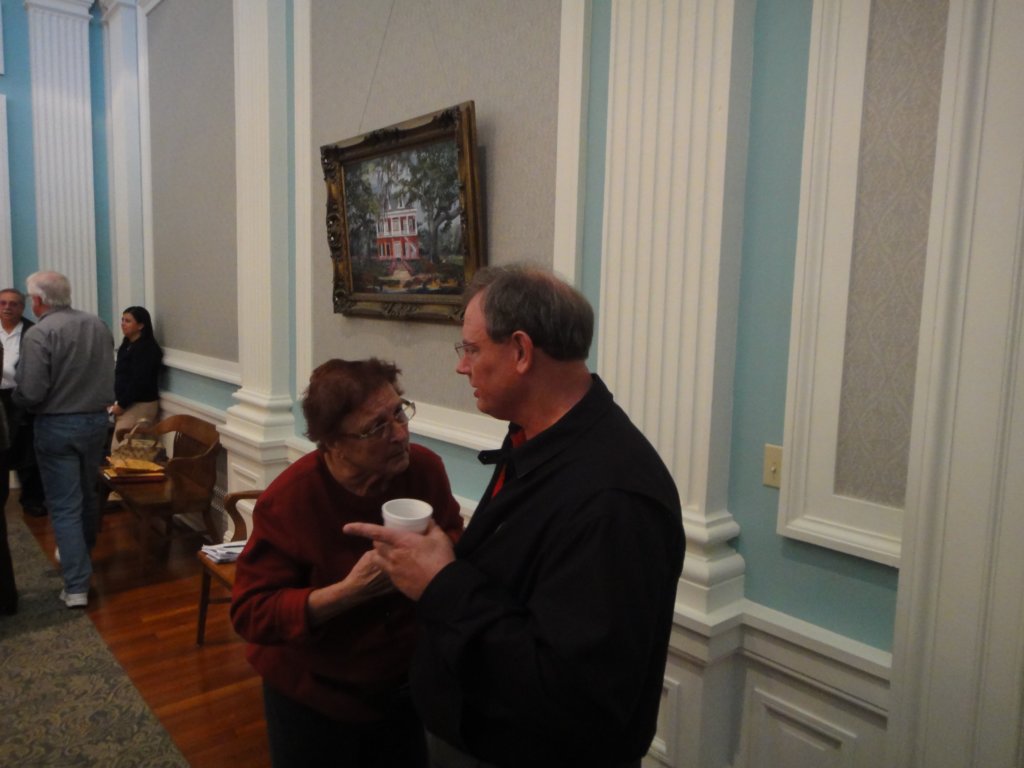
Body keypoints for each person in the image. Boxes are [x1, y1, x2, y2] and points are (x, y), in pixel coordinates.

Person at [345, 264, 686, 768]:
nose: (462, 367)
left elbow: (575, 696)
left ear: (522, 351)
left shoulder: (614, 499)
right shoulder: (535, 436)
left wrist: (441, 583)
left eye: (471, 349)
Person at [230, 358, 464, 768]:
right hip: (315, 697)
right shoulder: (291, 500)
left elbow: (453, 536)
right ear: (332, 443)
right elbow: (251, 613)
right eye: (377, 428)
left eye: (399, 413)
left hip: (404, 686)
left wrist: (439, 556)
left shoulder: (424, 471)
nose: (401, 434)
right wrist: (348, 593)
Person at [13, 271, 114, 609]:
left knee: (65, 505)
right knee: (87, 496)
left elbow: (31, 391)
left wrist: (16, 399)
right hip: (96, 423)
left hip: (57, 426)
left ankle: (76, 586)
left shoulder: (40, 333)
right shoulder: (98, 325)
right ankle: (81, 558)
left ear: (37, 300)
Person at [0, 288, 46, 517]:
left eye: (14, 303)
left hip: (20, 399)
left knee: (27, 452)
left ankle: (32, 499)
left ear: (22, 307)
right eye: (3, 303)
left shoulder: (33, 332)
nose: (7, 307)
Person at [109, 306, 163, 450]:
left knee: (122, 449)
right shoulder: (126, 345)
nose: (123, 324)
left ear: (140, 325)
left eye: (128, 321)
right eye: (122, 320)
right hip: (126, 403)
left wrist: (121, 405)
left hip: (140, 405)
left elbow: (139, 381)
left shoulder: (147, 349)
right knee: (119, 449)